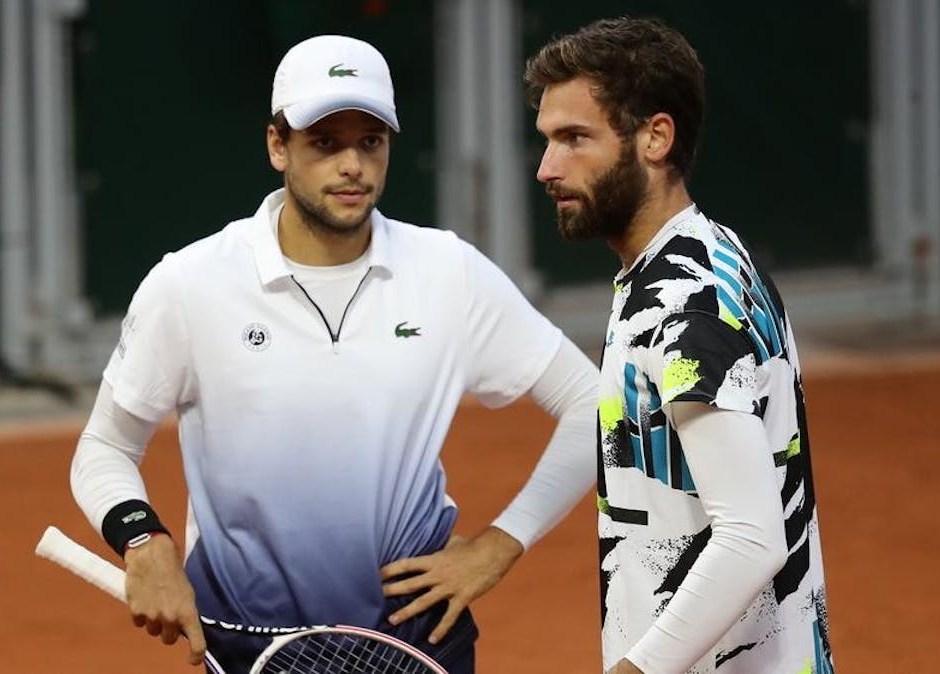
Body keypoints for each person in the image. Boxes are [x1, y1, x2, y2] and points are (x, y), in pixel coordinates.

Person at [68, 34, 597, 674]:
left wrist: (502, 543)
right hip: (251, 645)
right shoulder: (189, 284)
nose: (352, 165)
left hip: (416, 644)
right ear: (277, 146)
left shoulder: (447, 272)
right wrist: (143, 542)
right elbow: (104, 447)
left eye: (370, 142)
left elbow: (593, 404)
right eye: (324, 143)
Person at [524, 17, 836, 674]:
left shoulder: (684, 302)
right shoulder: (705, 255)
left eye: (574, 138)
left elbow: (751, 537)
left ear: (655, 138)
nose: (547, 168)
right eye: (547, 140)